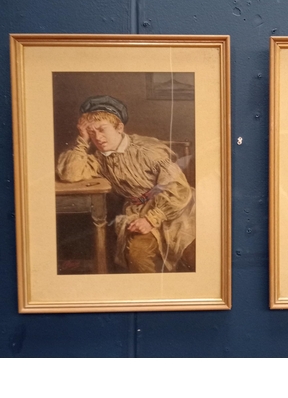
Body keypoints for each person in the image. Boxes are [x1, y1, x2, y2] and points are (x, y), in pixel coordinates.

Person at [57, 95, 195, 273]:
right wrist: (82, 141)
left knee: (193, 253)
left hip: (179, 210)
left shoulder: (147, 151)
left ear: (119, 128)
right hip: (138, 212)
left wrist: (151, 219)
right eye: (91, 132)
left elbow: (178, 188)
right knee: (138, 256)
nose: (97, 137)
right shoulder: (101, 159)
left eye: (102, 129)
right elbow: (71, 173)